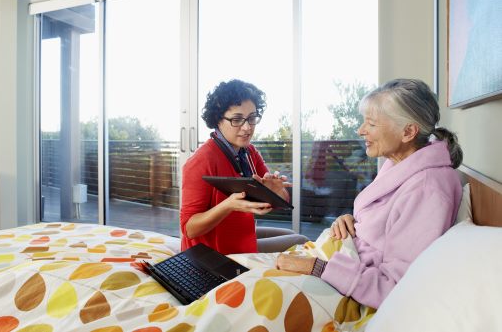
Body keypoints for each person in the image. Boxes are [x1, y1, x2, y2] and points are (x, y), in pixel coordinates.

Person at [276, 78, 463, 309]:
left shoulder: (428, 188)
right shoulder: (401, 164)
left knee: (245, 298)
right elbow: (384, 225)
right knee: (237, 273)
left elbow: (396, 287)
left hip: (347, 287)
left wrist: (317, 268)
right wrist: (352, 222)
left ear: (408, 131)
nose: (361, 130)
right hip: (338, 262)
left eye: (371, 124)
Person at [180, 79, 309, 254]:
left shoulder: (249, 152)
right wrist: (228, 206)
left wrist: (276, 193)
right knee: (301, 241)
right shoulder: (201, 161)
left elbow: (279, 201)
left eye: (251, 118)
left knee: (291, 234)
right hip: (214, 253)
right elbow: (189, 229)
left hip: (237, 234)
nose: (247, 127)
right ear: (218, 120)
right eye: (237, 119)